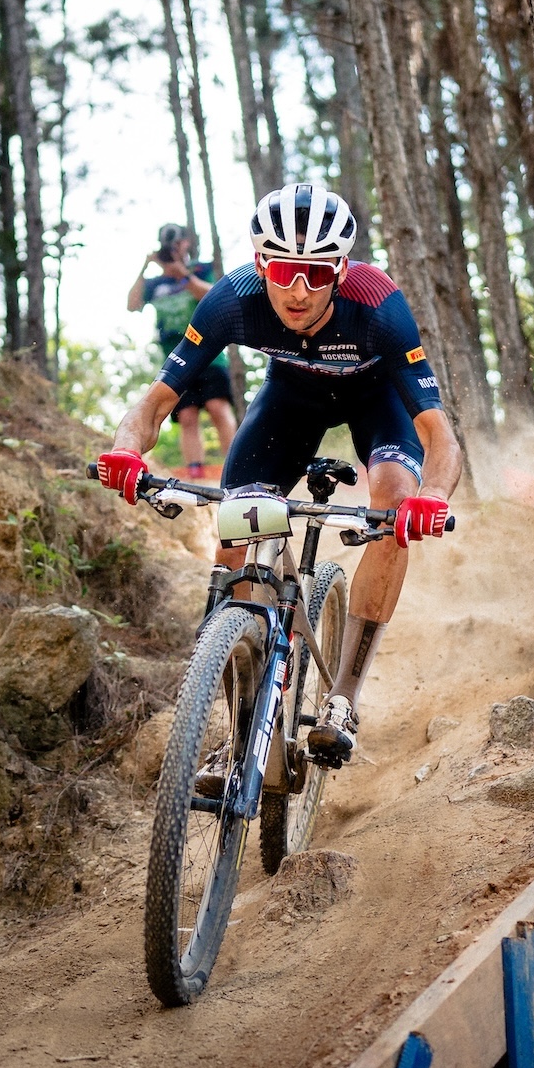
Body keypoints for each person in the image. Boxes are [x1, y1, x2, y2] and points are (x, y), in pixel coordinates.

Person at [97, 184, 461, 767]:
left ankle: (342, 696)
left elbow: (438, 434)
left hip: (375, 401)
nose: (297, 289)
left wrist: (433, 497)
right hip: (290, 403)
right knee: (235, 534)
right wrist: (125, 451)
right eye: (285, 269)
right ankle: (247, 723)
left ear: (340, 270)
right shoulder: (231, 299)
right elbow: (157, 402)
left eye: (316, 274)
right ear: (262, 261)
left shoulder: (379, 306)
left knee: (395, 505)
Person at [127, 223, 237, 480]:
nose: (174, 250)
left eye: (177, 244)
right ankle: (196, 472)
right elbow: (132, 305)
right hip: (176, 357)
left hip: (210, 352)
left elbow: (214, 296)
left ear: (187, 243)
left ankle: (235, 468)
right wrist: (146, 267)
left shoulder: (202, 269)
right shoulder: (155, 282)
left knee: (218, 407)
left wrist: (183, 276)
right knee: (186, 416)